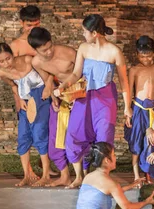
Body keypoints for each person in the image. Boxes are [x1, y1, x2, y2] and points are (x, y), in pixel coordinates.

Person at [56, 14, 132, 189]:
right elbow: (76, 74)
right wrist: (64, 85)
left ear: (95, 33)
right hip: (84, 96)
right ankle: (79, 176)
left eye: (85, 31)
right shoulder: (83, 48)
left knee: (104, 138)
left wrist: (127, 107)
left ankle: (101, 179)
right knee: (74, 135)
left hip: (105, 99)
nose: (83, 34)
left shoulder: (114, 52)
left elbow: (124, 82)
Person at [0, 43, 52, 187]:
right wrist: (19, 99)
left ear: (12, 54)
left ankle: (46, 175)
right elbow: (14, 86)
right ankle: (28, 174)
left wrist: (49, 89)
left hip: (40, 97)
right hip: (24, 101)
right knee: (23, 136)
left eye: (8, 58)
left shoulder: (27, 60)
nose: (6, 63)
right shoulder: (2, 72)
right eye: (1, 61)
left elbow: (48, 75)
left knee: (39, 133)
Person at [29, 27, 78, 187]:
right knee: (56, 139)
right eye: (44, 50)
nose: (49, 52)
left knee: (79, 136)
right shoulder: (36, 62)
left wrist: (74, 93)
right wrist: (53, 98)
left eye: (50, 46)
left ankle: (82, 175)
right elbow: (48, 82)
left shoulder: (68, 52)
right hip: (60, 96)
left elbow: (84, 73)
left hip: (79, 94)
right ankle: (64, 176)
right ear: (35, 50)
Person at [75, 142, 154, 209]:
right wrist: (147, 201)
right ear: (107, 160)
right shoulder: (110, 183)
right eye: (113, 155)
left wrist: (132, 185)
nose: (115, 158)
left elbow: (107, 193)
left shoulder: (88, 177)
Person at [124, 36, 154, 182]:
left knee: (151, 141)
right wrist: (127, 110)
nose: (145, 59)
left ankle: (149, 173)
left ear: (153, 54)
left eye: (148, 56)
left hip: (152, 109)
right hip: (138, 108)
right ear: (136, 54)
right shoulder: (134, 69)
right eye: (141, 56)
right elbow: (128, 90)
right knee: (136, 141)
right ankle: (135, 175)